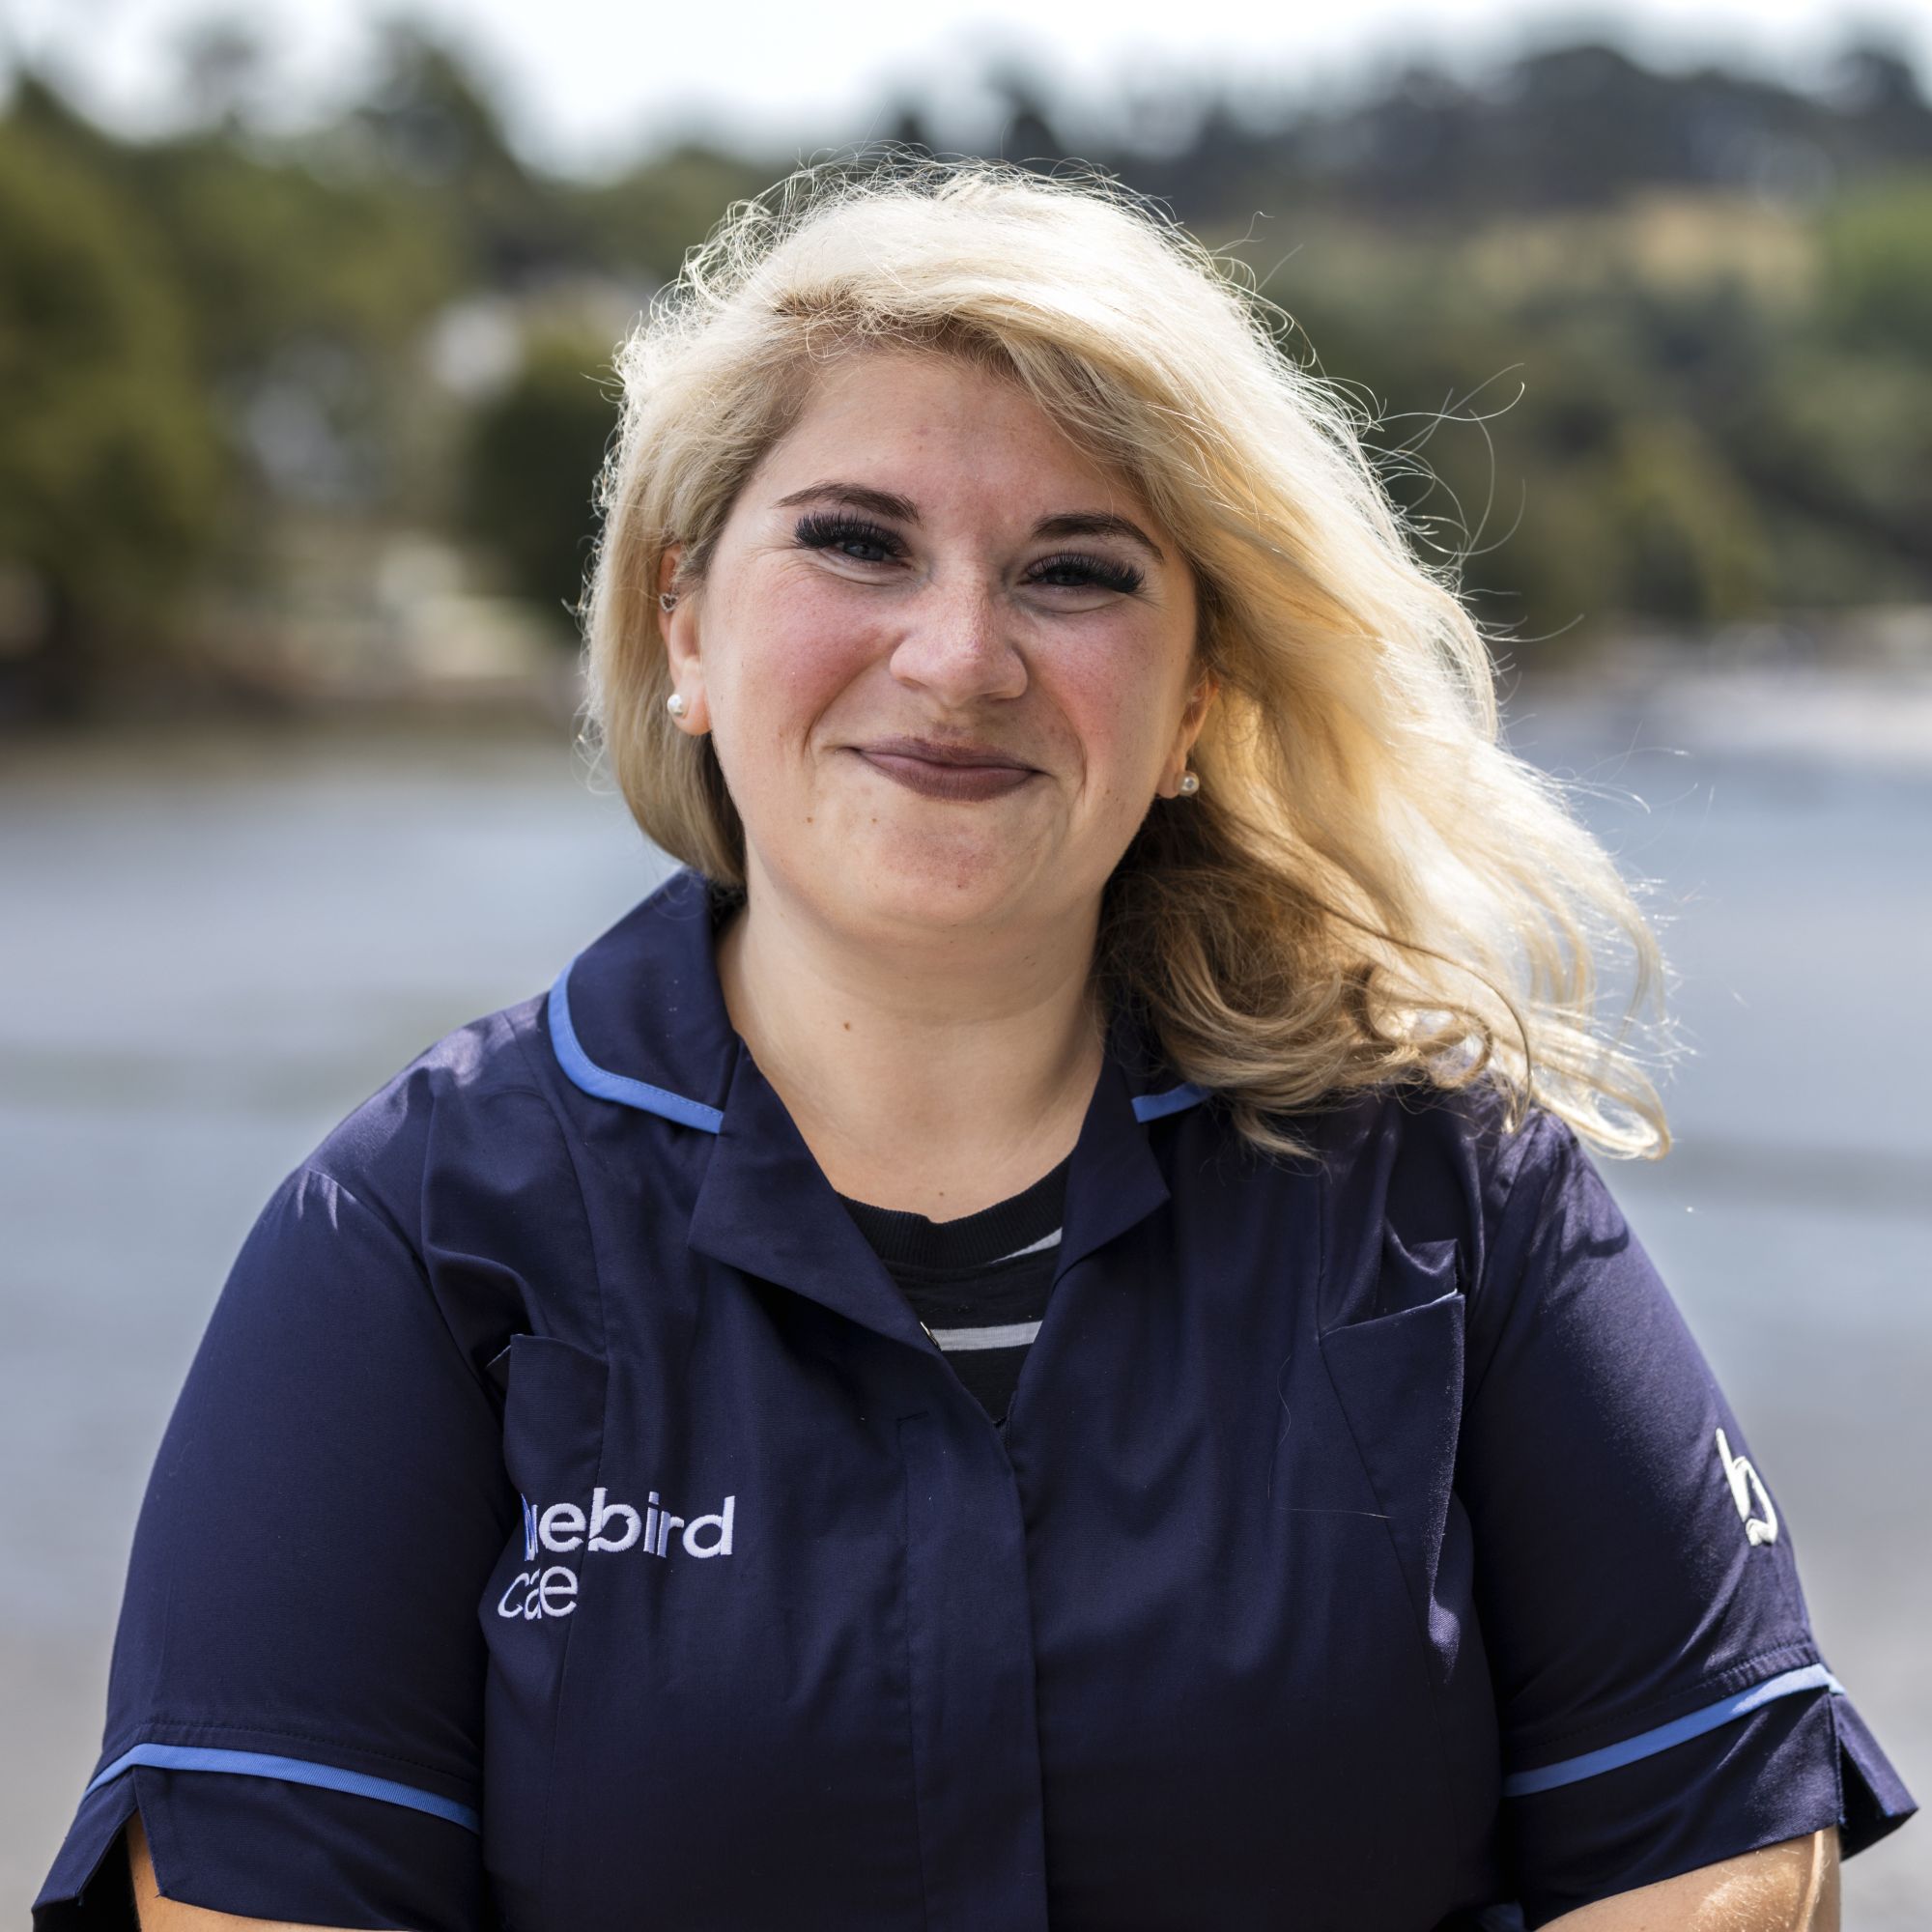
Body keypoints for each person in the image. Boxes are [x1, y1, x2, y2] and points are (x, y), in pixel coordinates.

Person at [36, 156, 1916, 1932]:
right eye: (858, 542)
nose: (957, 655)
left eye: (1076, 570)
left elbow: (1718, 1850)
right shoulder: (409, 1235)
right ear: (683, 621)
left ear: (1196, 696)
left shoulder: (1453, 1194)